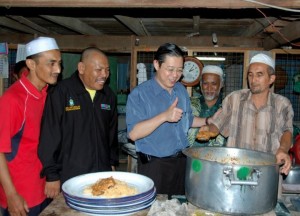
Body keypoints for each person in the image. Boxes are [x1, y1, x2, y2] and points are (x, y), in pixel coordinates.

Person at [126, 43, 215, 196]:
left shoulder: (180, 90)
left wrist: (208, 120)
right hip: (155, 166)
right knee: (154, 210)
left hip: (181, 161)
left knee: (179, 207)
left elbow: (187, 120)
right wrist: (164, 116)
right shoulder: (140, 94)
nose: (175, 75)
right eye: (170, 69)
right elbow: (133, 133)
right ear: (156, 64)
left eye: (179, 70)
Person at [38, 47, 119, 198]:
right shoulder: (61, 92)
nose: (105, 75)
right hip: (70, 176)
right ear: (81, 68)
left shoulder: (109, 96)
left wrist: (111, 163)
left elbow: (111, 135)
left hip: (101, 174)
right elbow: (50, 135)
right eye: (99, 69)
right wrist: (52, 175)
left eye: (107, 70)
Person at [0, 37, 61, 216]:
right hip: (22, 197)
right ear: (31, 64)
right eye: (51, 63)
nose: (57, 69)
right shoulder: (13, 100)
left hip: (44, 189)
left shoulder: (47, 93)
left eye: (59, 63)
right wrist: (11, 195)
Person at [205, 53, 294, 175]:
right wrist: (208, 130)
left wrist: (283, 150)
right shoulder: (234, 99)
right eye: (250, 75)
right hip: (235, 171)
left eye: (259, 75)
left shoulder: (282, 104)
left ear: (271, 79)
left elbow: (287, 132)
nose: (253, 80)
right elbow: (218, 124)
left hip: (267, 173)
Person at [187, 65, 226, 147]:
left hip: (218, 158)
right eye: (205, 83)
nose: (209, 88)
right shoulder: (188, 104)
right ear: (200, 84)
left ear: (221, 84)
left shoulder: (227, 107)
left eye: (213, 84)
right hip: (189, 157)